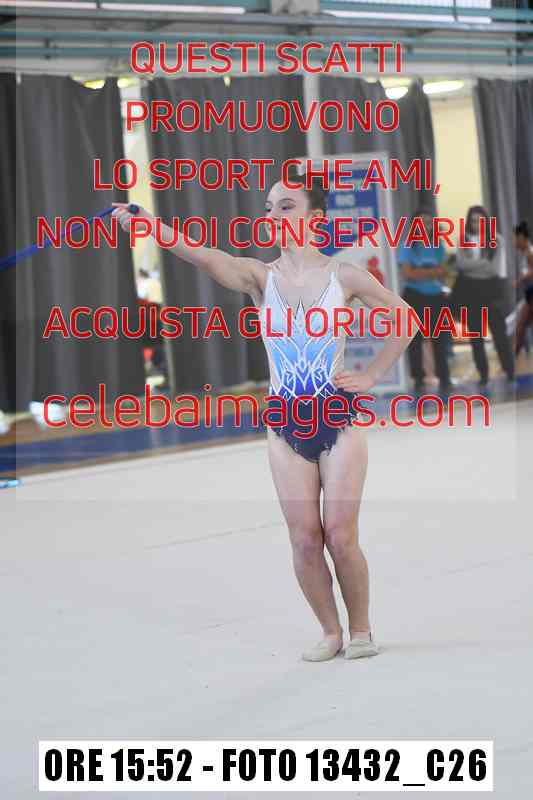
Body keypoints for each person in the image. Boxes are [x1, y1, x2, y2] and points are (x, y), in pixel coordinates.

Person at [112, 167, 416, 663]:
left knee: (341, 535)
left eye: (287, 206)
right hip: (284, 425)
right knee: (304, 539)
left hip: (338, 419)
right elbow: (200, 254)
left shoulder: (345, 276)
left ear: (316, 217)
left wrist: (373, 375)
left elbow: (406, 317)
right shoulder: (259, 276)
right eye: (270, 207)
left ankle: (361, 629)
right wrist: (150, 224)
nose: (274, 215)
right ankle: (330, 632)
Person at [453, 205, 515, 386]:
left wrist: (473, 267)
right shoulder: (463, 239)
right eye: (473, 221)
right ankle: (484, 375)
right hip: (469, 291)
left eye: (480, 220)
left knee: (499, 334)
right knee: (475, 337)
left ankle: (510, 371)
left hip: (491, 291)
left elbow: (494, 269)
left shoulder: (497, 240)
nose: (477, 224)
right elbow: (461, 265)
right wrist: (483, 264)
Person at [397, 208, 452, 395]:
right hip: (414, 296)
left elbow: (443, 271)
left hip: (436, 296)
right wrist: (432, 272)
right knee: (415, 339)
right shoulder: (407, 245)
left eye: (428, 222)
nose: (425, 226)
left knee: (440, 338)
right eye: (421, 222)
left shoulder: (437, 245)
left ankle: (444, 377)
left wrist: (420, 272)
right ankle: (418, 379)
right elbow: (407, 274)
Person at [512, 220, 533, 357]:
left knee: (521, 324)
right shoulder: (525, 253)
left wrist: (519, 280)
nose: (514, 242)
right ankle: (514, 356)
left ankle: (513, 356)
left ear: (522, 238)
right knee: (521, 324)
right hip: (529, 294)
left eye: (516, 238)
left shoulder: (530, 252)